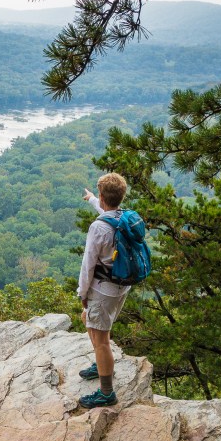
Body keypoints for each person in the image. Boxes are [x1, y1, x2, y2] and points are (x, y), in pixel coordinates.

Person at [77, 172, 132, 408]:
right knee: (95, 326)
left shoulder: (98, 229)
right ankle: (101, 364)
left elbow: (88, 264)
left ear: (102, 196)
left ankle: (107, 392)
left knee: (101, 340)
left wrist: (82, 292)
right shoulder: (124, 217)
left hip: (103, 289)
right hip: (121, 286)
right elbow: (106, 214)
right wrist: (91, 200)